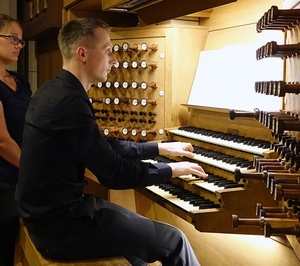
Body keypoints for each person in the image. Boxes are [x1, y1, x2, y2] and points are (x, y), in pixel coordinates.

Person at [15, 18, 207, 266]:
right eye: (108, 51)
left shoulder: (53, 90)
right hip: (61, 228)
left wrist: (160, 147)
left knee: (138, 254)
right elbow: (113, 173)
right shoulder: (69, 102)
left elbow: (105, 146)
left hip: (51, 215)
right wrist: (170, 170)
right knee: (175, 240)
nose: (114, 60)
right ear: (83, 54)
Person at [0, 14, 31, 266]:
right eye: (12, 38)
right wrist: (37, 170)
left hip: (23, 172)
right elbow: (2, 142)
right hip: (3, 179)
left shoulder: (20, 80)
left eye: (21, 41)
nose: (19, 45)